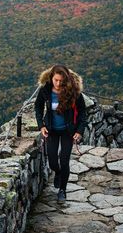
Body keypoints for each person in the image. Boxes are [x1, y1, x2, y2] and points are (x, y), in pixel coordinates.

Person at [34, 64, 87, 202]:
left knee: (64, 160)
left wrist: (79, 131)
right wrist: (41, 126)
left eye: (61, 81)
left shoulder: (73, 91)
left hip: (68, 131)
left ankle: (62, 190)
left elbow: (83, 112)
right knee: (52, 161)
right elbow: (38, 107)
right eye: (56, 80)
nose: (58, 83)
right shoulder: (45, 91)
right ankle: (57, 173)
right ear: (51, 78)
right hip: (51, 130)